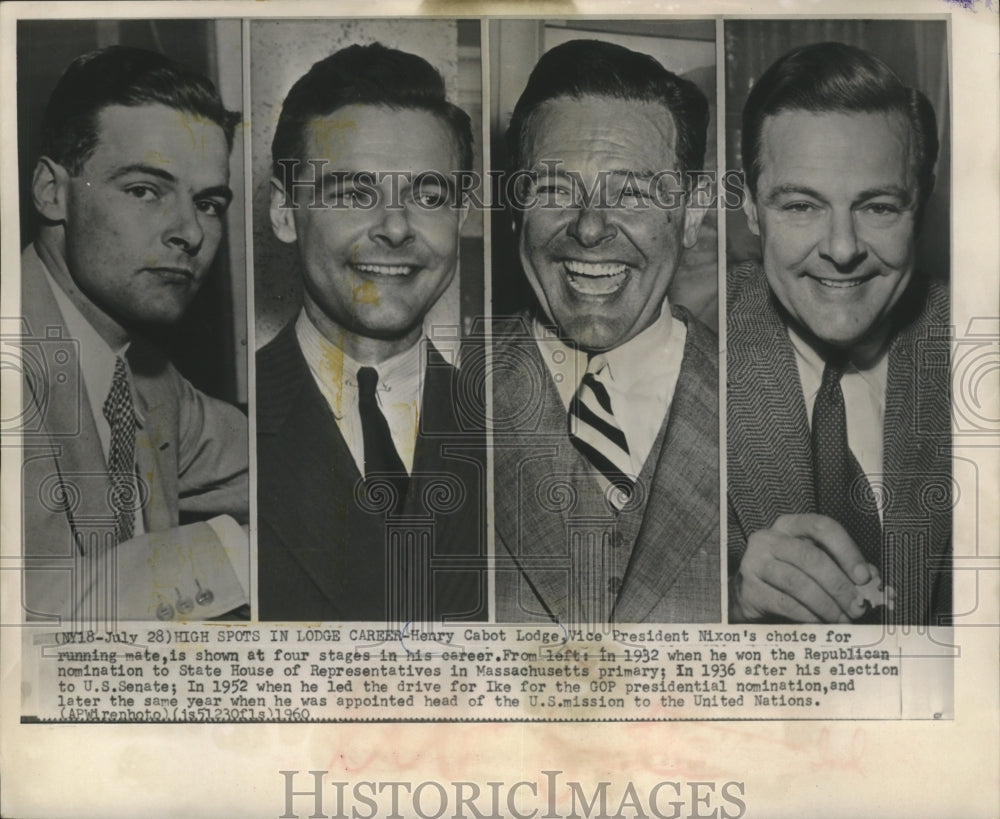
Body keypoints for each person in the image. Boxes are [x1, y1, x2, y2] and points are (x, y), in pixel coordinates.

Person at [19, 46, 250, 623]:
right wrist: (237, 553)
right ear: (52, 191)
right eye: (145, 190)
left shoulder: (143, 374)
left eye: (209, 203)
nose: (189, 232)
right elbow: (23, 621)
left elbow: (273, 459)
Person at [257, 43, 486, 622]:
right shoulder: (222, 429)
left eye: (428, 195)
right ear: (286, 212)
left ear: (460, 216)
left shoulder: (518, 433)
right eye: (356, 193)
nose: (395, 227)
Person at [493, 39, 720, 624]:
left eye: (633, 193)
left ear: (692, 213)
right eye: (554, 189)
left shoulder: (771, 405)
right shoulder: (432, 397)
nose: (590, 228)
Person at [727, 42, 951, 625]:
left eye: (878, 207)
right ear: (751, 207)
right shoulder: (678, 350)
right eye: (802, 206)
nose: (843, 248)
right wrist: (731, 601)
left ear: (919, 207)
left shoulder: (974, 350)